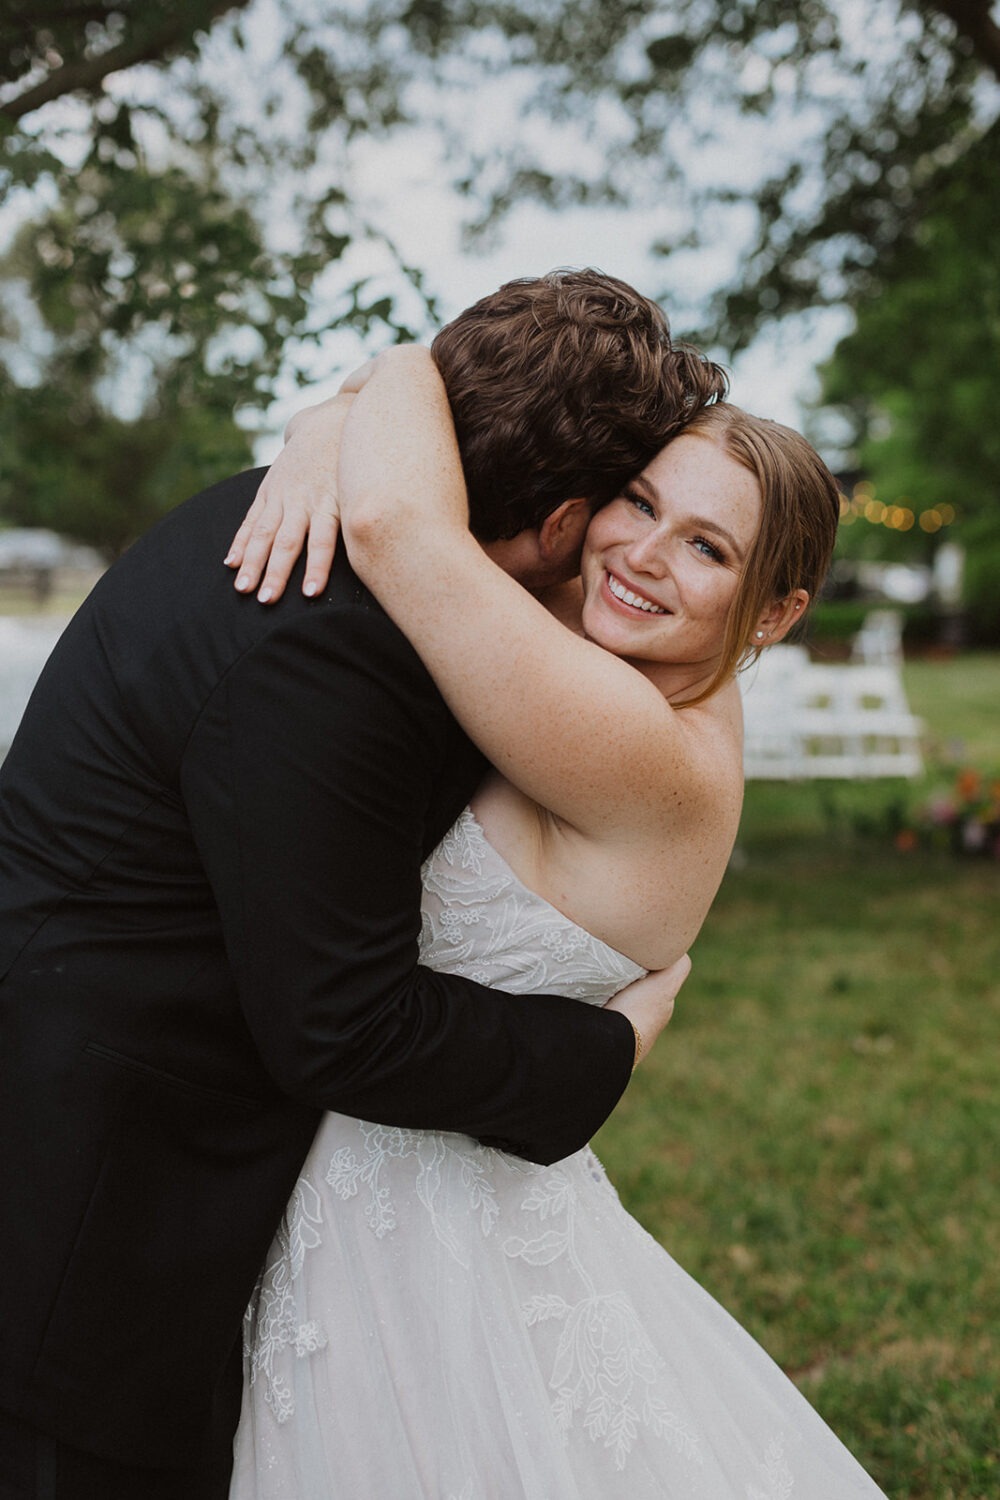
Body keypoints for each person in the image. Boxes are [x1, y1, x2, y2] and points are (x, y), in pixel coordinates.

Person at [0, 271, 717, 1499]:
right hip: (93, 1209)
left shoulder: (327, 523)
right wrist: (604, 1050)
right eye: (624, 510)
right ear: (557, 526)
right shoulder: (332, 641)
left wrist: (340, 414)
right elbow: (342, 1022)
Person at [222, 347, 889, 1497]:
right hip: (397, 1178)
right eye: (640, 500)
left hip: (407, 1237)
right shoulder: (623, 663)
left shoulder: (634, 741)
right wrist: (322, 427)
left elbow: (393, 519)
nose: (640, 553)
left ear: (775, 611)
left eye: (707, 547)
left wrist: (373, 387)